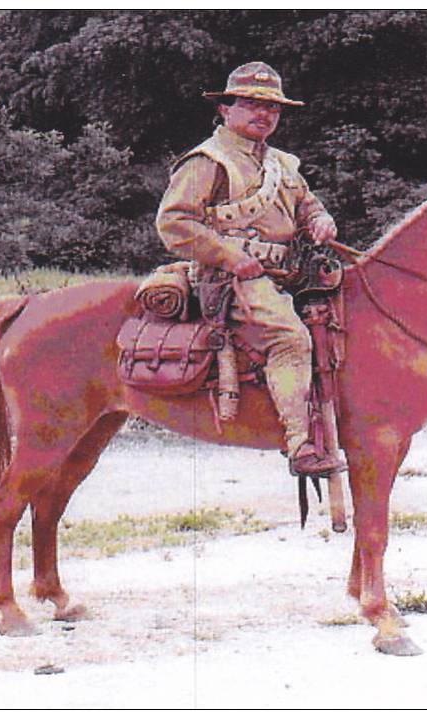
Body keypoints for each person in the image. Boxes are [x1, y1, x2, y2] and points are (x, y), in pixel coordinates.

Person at [156, 61, 343, 477]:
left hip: (289, 273)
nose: (264, 114)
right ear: (226, 109)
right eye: (252, 104)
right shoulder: (209, 160)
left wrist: (321, 219)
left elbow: (306, 204)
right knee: (289, 338)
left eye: (272, 108)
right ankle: (301, 446)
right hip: (231, 276)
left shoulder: (282, 164)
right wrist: (231, 258)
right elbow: (174, 223)